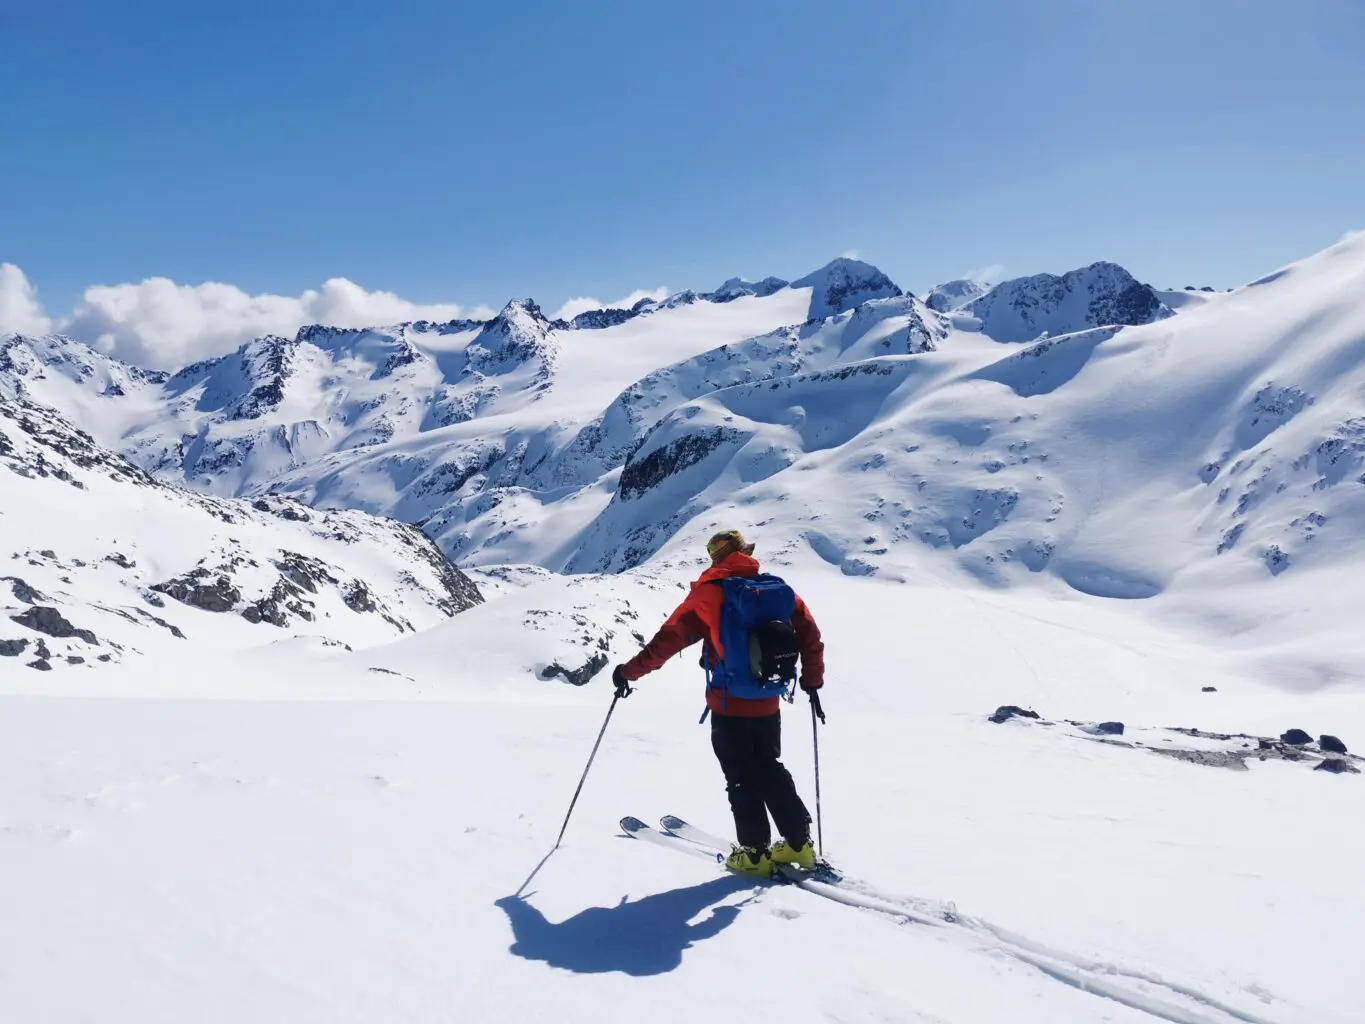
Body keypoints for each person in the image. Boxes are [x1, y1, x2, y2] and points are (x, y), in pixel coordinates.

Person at [611, 529, 825, 877]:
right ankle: (799, 845)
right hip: (769, 700)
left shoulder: (709, 594)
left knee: (741, 777)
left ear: (716, 558)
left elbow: (666, 641)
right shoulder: (780, 590)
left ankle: (755, 855)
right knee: (770, 767)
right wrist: (812, 681)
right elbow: (810, 636)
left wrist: (627, 673)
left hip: (729, 706)